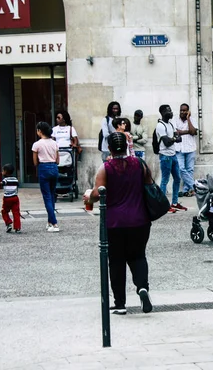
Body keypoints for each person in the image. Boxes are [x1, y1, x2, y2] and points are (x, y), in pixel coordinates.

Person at [84, 132, 153, 315]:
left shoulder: (105, 168)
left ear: (110, 148)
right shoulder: (139, 164)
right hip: (140, 219)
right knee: (138, 256)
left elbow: (98, 194)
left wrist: (88, 195)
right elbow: (150, 184)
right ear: (127, 145)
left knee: (116, 261)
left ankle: (120, 304)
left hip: (115, 222)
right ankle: (142, 288)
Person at [156, 105, 186, 213]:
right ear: (162, 112)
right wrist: (174, 139)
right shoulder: (160, 125)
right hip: (165, 156)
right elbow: (167, 142)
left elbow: (178, 138)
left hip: (173, 155)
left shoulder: (170, 124)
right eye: (168, 110)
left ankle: (174, 203)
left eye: (170, 110)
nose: (170, 112)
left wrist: (173, 138)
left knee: (177, 178)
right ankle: (163, 205)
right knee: (165, 180)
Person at [32, 122, 60, 232]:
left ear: (39, 131)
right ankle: (50, 221)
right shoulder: (54, 143)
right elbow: (58, 160)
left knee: (47, 196)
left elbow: (35, 162)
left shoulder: (37, 144)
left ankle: (54, 223)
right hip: (54, 167)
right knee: (52, 195)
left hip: (43, 167)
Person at [175, 103, 198, 197]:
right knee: (181, 168)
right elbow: (176, 133)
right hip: (179, 148)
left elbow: (193, 132)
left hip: (190, 147)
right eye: (181, 110)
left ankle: (185, 190)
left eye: (184, 110)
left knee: (190, 169)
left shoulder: (192, 120)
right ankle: (194, 186)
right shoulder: (175, 120)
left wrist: (188, 119)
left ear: (188, 111)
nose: (182, 112)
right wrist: (188, 131)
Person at [0, 164, 21, 233]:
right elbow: (17, 187)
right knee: (16, 212)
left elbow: (1, 184)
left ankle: (8, 223)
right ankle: (17, 227)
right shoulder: (16, 179)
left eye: (3, 171)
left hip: (7, 198)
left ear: (6, 171)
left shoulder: (5, 180)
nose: (2, 172)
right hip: (15, 198)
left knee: (4, 211)